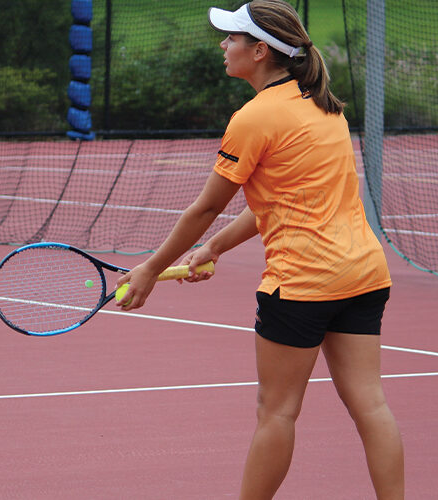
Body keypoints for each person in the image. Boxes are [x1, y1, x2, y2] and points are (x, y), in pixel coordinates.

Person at [113, 1, 405, 498]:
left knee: (277, 412)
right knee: (371, 404)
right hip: (364, 276)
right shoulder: (324, 106)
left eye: (231, 37)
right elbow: (285, 199)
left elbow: (204, 208)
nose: (223, 45)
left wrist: (148, 270)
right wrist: (215, 247)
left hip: (301, 285)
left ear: (260, 50)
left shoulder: (253, 118)